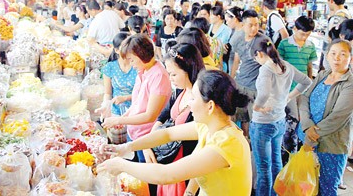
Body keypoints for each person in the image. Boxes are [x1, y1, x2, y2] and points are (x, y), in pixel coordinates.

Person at [98, 70, 253, 196]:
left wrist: (121, 165)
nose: (189, 104)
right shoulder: (209, 126)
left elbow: (166, 175)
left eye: (193, 98)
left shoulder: (228, 143)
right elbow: (168, 134)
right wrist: (129, 147)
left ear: (210, 106)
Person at [250, 36, 312, 196]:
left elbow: (263, 93)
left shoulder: (266, 69)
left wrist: (257, 107)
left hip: (263, 123)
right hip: (279, 121)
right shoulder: (286, 66)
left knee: (263, 168)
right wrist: (289, 96)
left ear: (259, 54)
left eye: (255, 57)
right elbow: (306, 81)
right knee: (276, 162)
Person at [145, 43, 205, 196]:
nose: (170, 79)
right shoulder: (180, 90)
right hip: (170, 163)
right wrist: (148, 144)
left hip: (186, 170)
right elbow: (162, 116)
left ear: (189, 69)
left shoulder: (202, 101)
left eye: (173, 74)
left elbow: (201, 150)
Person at [102, 33, 172, 163]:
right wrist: (122, 119)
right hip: (135, 134)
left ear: (141, 55)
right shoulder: (142, 71)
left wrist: (118, 121)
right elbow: (136, 103)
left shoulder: (158, 76)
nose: (130, 63)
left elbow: (150, 116)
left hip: (147, 138)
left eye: (131, 59)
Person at [299, 39, 353, 196]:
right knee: (307, 187)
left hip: (331, 145)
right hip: (308, 139)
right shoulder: (323, 74)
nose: (337, 58)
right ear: (327, 56)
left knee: (327, 189)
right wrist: (307, 125)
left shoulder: (349, 83)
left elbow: (338, 117)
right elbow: (304, 98)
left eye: (343, 54)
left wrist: (311, 136)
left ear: (350, 58)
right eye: (333, 54)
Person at [277, 16, 317, 164]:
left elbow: (309, 67)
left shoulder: (311, 46)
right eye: (302, 34)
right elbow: (279, 66)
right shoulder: (284, 44)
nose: (304, 37)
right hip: (289, 90)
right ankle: (286, 153)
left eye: (307, 34)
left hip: (304, 89)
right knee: (292, 120)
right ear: (294, 29)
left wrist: (311, 84)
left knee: (302, 119)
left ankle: (296, 152)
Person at [231, 10, 264, 136]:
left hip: (255, 88)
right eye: (251, 25)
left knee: (253, 120)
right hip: (240, 85)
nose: (254, 28)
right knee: (241, 117)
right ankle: (244, 141)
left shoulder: (263, 41)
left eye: (256, 24)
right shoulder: (238, 39)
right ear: (243, 25)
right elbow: (236, 60)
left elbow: (271, 64)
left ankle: (251, 144)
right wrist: (232, 78)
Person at [320, 0, 352, 70]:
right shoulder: (347, 15)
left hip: (334, 64)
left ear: (331, 0)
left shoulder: (336, 19)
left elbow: (332, 42)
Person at [209, 6, 232, 72]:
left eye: (211, 15)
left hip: (220, 61)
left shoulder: (226, 29)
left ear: (218, 17)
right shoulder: (211, 26)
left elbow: (222, 45)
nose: (209, 17)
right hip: (210, 60)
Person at [225, 6, 244, 75]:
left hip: (237, 68)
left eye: (227, 20)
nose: (226, 23)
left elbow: (237, 60)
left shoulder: (240, 34)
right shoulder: (235, 31)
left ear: (234, 19)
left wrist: (232, 76)